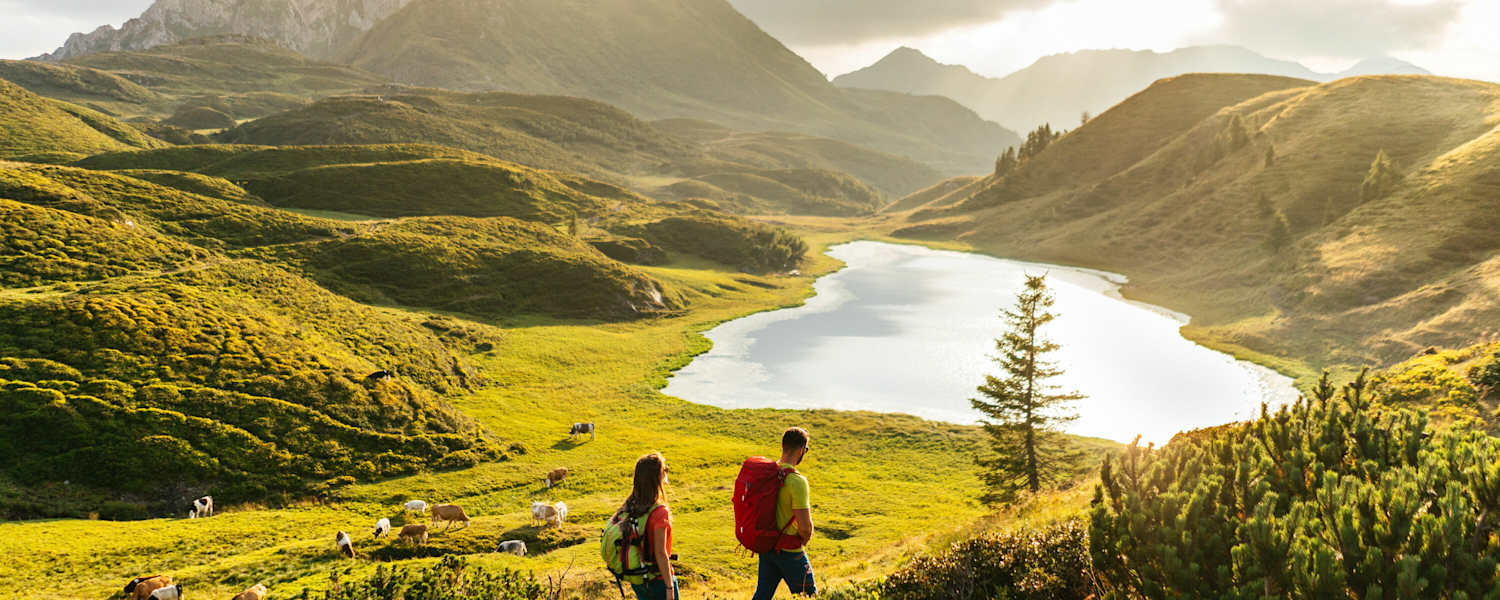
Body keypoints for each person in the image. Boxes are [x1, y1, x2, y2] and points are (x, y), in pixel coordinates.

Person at [753, 427, 817, 599]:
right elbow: (804, 527)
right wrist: (803, 540)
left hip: (767, 548)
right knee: (810, 596)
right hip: (790, 551)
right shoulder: (797, 481)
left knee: (762, 595)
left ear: (783, 446)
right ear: (801, 450)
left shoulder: (769, 473)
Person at [622, 452, 677, 600]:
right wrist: (669, 588)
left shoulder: (629, 505)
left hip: (639, 577)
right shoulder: (659, 512)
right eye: (664, 469)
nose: (666, 471)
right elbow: (661, 553)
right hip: (658, 579)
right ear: (656, 477)